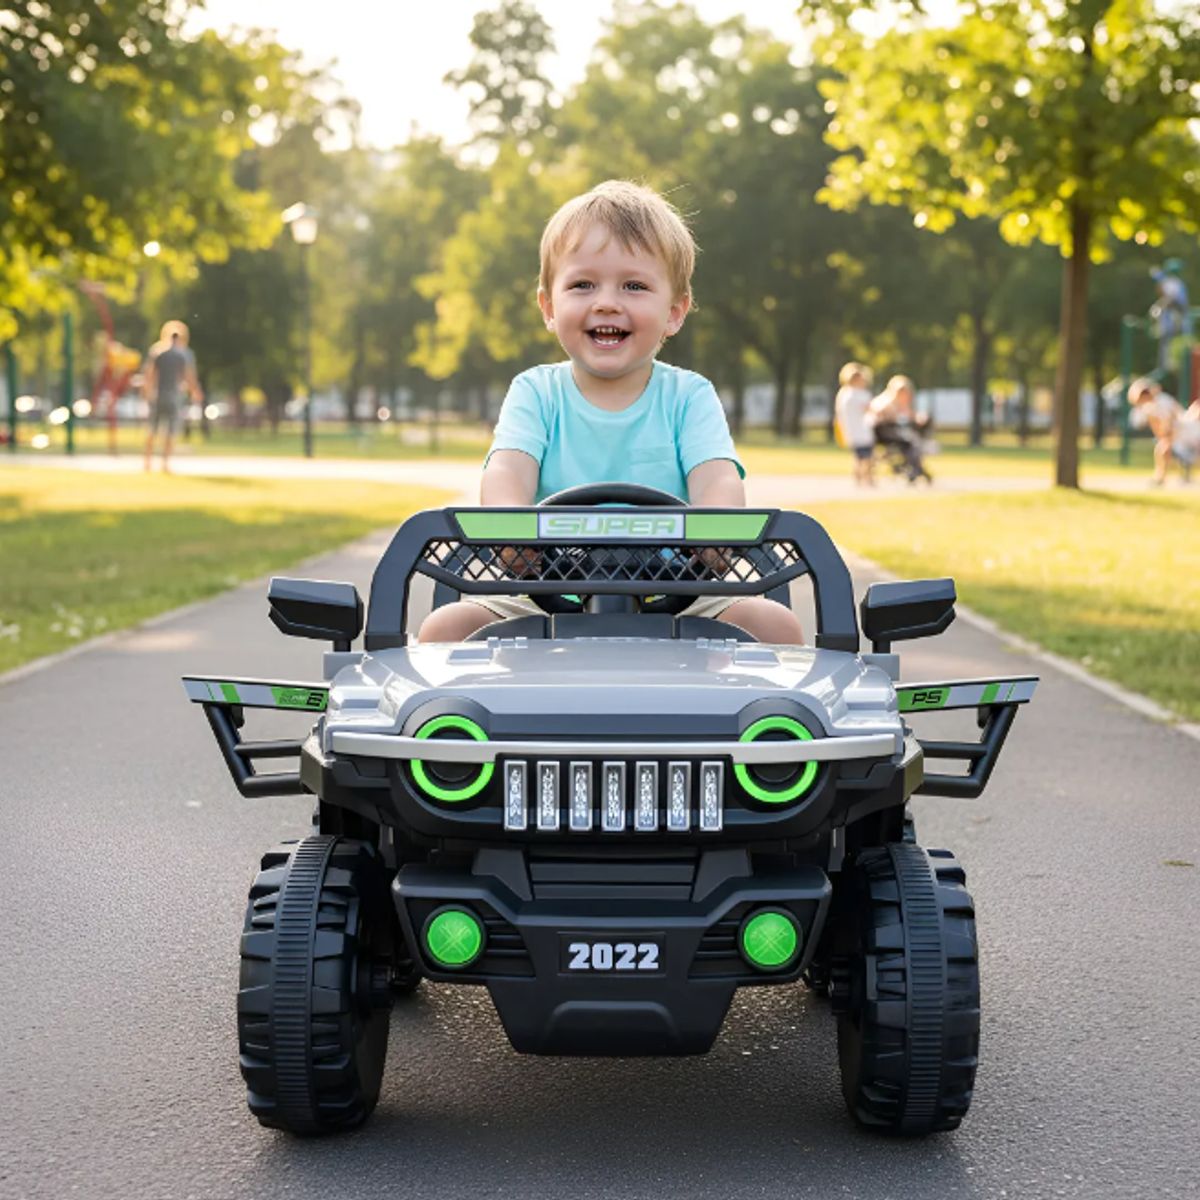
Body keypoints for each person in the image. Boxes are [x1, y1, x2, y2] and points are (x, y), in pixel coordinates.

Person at [418, 179, 804, 645]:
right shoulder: (536, 392)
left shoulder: (689, 396)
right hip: (539, 584)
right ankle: (465, 719)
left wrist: (715, 534)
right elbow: (507, 472)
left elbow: (718, 478)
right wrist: (511, 535)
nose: (606, 302)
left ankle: (768, 719)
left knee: (775, 625)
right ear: (548, 305)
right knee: (445, 629)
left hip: (683, 586)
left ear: (675, 313)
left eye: (634, 286)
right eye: (582, 284)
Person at [142, 320, 202, 472]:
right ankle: (165, 463)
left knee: (152, 429)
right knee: (171, 430)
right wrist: (195, 391)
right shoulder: (184, 354)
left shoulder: (157, 351)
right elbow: (189, 376)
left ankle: (147, 462)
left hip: (157, 396)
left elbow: (149, 374)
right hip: (174, 397)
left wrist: (147, 392)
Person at [1128, 377, 1199, 485]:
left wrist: (1167, 439)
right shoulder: (1151, 406)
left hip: (1187, 434)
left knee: (1163, 448)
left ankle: (1162, 478)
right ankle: (1164, 477)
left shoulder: (1161, 403)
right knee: (1163, 447)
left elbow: (1170, 426)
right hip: (1182, 433)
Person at [868, 374, 933, 484]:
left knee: (913, 443)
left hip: (894, 434)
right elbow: (876, 412)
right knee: (911, 443)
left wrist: (919, 418)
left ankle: (914, 469)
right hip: (883, 434)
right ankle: (916, 470)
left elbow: (911, 415)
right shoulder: (885, 400)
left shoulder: (900, 403)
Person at [834, 361, 875, 486]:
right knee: (865, 456)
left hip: (852, 430)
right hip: (861, 430)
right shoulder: (857, 394)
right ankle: (866, 478)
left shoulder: (843, 393)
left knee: (859, 456)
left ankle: (860, 477)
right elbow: (869, 408)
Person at [1149, 259, 1190, 377]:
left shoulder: (1173, 283)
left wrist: (1160, 306)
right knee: (1166, 346)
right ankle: (1166, 367)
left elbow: (1171, 299)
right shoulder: (1174, 282)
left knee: (1171, 346)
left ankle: (1169, 367)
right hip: (1171, 322)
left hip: (1175, 321)